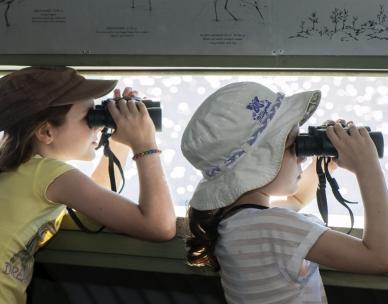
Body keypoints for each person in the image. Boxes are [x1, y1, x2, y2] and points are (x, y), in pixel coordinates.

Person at [181, 81, 388, 303]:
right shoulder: (275, 226)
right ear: (258, 165)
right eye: (292, 146)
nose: (302, 156)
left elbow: (297, 198)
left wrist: (326, 163)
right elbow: (379, 257)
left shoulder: (234, 222)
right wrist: (367, 167)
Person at [0, 66, 176, 303]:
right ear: (46, 131)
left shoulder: (24, 171)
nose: (99, 126)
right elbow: (160, 226)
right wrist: (144, 144)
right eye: (89, 117)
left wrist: (120, 137)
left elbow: (96, 198)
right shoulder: (47, 173)